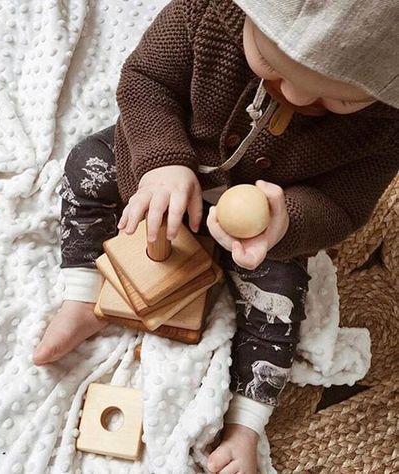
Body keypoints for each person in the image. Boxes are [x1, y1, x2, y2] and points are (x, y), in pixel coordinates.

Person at [34, 1, 399, 472]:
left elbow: (345, 206)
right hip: (169, 166)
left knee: (281, 301)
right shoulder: (204, 13)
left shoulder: (387, 123)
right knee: (87, 164)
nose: (295, 95)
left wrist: (287, 221)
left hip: (266, 220)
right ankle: (84, 294)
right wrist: (162, 159)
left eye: (340, 100)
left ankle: (246, 423)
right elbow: (145, 81)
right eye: (270, 63)